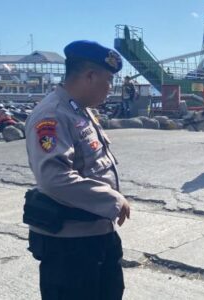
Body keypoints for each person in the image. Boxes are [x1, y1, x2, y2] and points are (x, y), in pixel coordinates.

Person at [24, 40, 131, 300]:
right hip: (70, 245)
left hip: (96, 234)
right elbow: (54, 178)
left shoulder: (80, 111)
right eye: (107, 81)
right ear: (89, 76)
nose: (110, 89)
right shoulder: (54, 114)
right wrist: (112, 199)